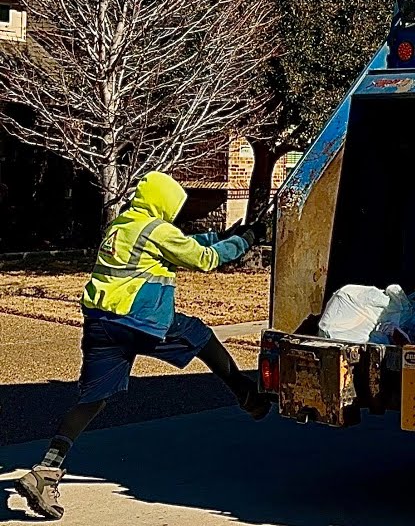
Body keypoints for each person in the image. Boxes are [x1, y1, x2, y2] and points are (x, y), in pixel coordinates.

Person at [15, 171, 270, 520]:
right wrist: (248, 240)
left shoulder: (122, 226)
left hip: (101, 326)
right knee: (201, 336)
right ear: (164, 203)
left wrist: (223, 234)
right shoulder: (158, 230)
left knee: (92, 401)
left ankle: (45, 471)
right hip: (142, 322)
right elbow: (204, 258)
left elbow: (181, 243)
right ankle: (247, 394)